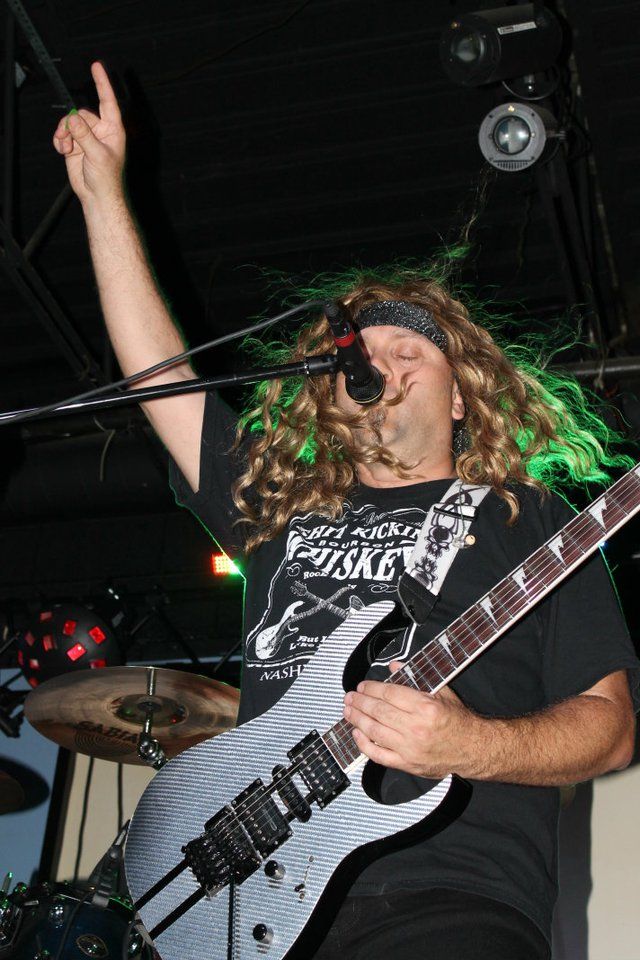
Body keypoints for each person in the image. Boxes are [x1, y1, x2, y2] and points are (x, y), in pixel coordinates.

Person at [53, 63, 638, 960]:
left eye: (411, 353)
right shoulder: (283, 507)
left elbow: (611, 725)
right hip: (258, 900)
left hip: (456, 895)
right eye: (363, 355)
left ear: (459, 398)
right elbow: (162, 379)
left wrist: (469, 744)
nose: (382, 367)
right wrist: (100, 194)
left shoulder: (529, 519)